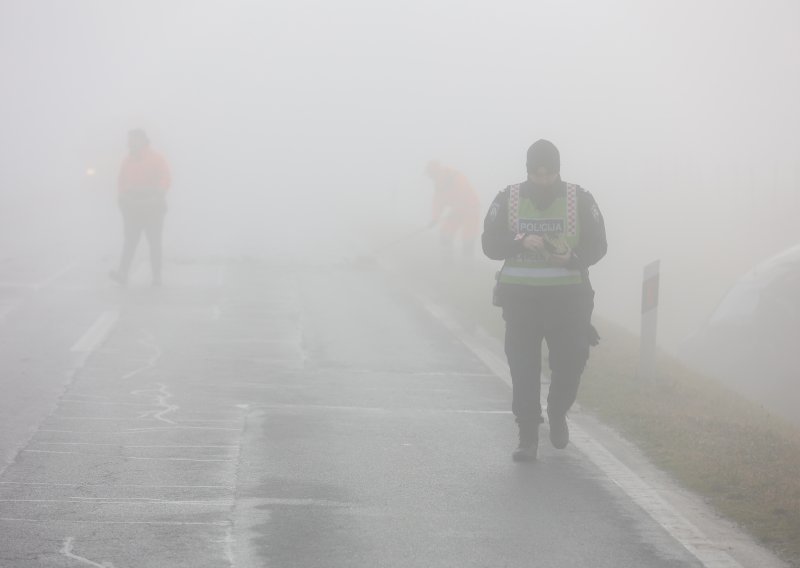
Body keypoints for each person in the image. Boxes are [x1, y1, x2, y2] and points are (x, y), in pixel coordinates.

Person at [482, 139, 607, 461]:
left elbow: (599, 245)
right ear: (528, 172)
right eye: (537, 175)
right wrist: (519, 241)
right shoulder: (506, 198)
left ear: (558, 171)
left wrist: (572, 257)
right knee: (523, 368)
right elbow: (489, 245)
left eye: (549, 174)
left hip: (569, 301)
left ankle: (557, 411)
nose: (543, 181)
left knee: (571, 362)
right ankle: (527, 436)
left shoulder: (580, 199)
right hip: (521, 301)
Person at [110, 129, 171, 287]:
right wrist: (122, 198)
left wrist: (159, 193)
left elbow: (165, 178)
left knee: (154, 242)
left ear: (143, 140)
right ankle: (122, 273)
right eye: (129, 140)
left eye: (134, 139)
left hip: (152, 207)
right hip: (133, 207)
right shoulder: (127, 161)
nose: (131, 143)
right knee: (130, 241)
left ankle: (156, 276)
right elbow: (121, 181)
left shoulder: (156, 158)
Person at [425, 161, 481, 261]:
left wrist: (458, 208)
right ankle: (447, 260)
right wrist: (435, 218)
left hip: (471, 209)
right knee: (445, 233)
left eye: (430, 174)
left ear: (434, 172)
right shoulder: (438, 184)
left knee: (468, 237)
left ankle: (467, 265)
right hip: (457, 211)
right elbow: (438, 202)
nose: (430, 177)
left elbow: (463, 193)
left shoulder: (455, 176)